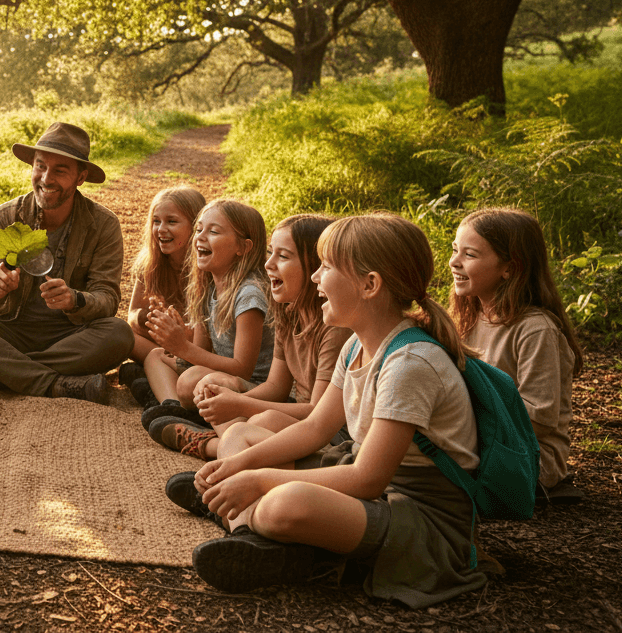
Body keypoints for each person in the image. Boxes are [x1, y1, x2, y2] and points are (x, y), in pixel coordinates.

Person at [175, 213, 487, 608]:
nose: (316, 278)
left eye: (327, 267)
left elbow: (367, 479)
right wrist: (239, 466)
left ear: (370, 285)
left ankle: (251, 522)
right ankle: (254, 538)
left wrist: (259, 481)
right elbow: (315, 428)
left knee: (283, 503)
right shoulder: (356, 346)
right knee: (238, 438)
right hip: (371, 488)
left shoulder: (411, 364)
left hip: (420, 515)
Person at [0, 121, 134, 403]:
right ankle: (53, 384)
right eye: (40, 166)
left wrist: (74, 299)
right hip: (11, 330)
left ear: (80, 177)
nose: (46, 178)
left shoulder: (103, 224)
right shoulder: (5, 217)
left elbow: (107, 298)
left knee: (119, 335)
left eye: (60, 170)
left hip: (71, 334)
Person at [154, 214, 352, 458]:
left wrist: (241, 404)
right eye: (270, 253)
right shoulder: (287, 312)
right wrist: (227, 401)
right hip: (297, 413)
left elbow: (317, 414)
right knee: (214, 388)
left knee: (264, 420)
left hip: (333, 434)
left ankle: (213, 446)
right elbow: (276, 387)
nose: (268, 264)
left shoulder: (335, 328)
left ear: (316, 268)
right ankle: (230, 444)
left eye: (283, 256)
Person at [450, 207, 583, 504]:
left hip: (529, 459)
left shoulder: (536, 330)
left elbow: (539, 417)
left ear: (509, 268)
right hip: (478, 441)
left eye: (469, 255)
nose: (454, 262)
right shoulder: (469, 317)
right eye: (455, 250)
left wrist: (456, 420)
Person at [140, 199, 275, 448]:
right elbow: (199, 352)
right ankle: (175, 409)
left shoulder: (249, 294)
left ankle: (228, 440)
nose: (201, 237)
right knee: (156, 356)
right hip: (220, 376)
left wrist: (183, 348)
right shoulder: (207, 286)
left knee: (195, 380)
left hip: (252, 387)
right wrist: (176, 346)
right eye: (199, 229)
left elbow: (243, 368)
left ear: (243, 248)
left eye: (213, 232)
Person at [120, 186, 207, 403]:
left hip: (199, 351)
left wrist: (176, 332)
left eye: (172, 221)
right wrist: (150, 318)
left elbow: (204, 340)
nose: (161, 229)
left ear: (196, 226)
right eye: (156, 221)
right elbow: (132, 316)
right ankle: (156, 378)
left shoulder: (207, 268)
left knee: (160, 357)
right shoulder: (149, 263)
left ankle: (153, 385)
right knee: (122, 335)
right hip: (164, 346)